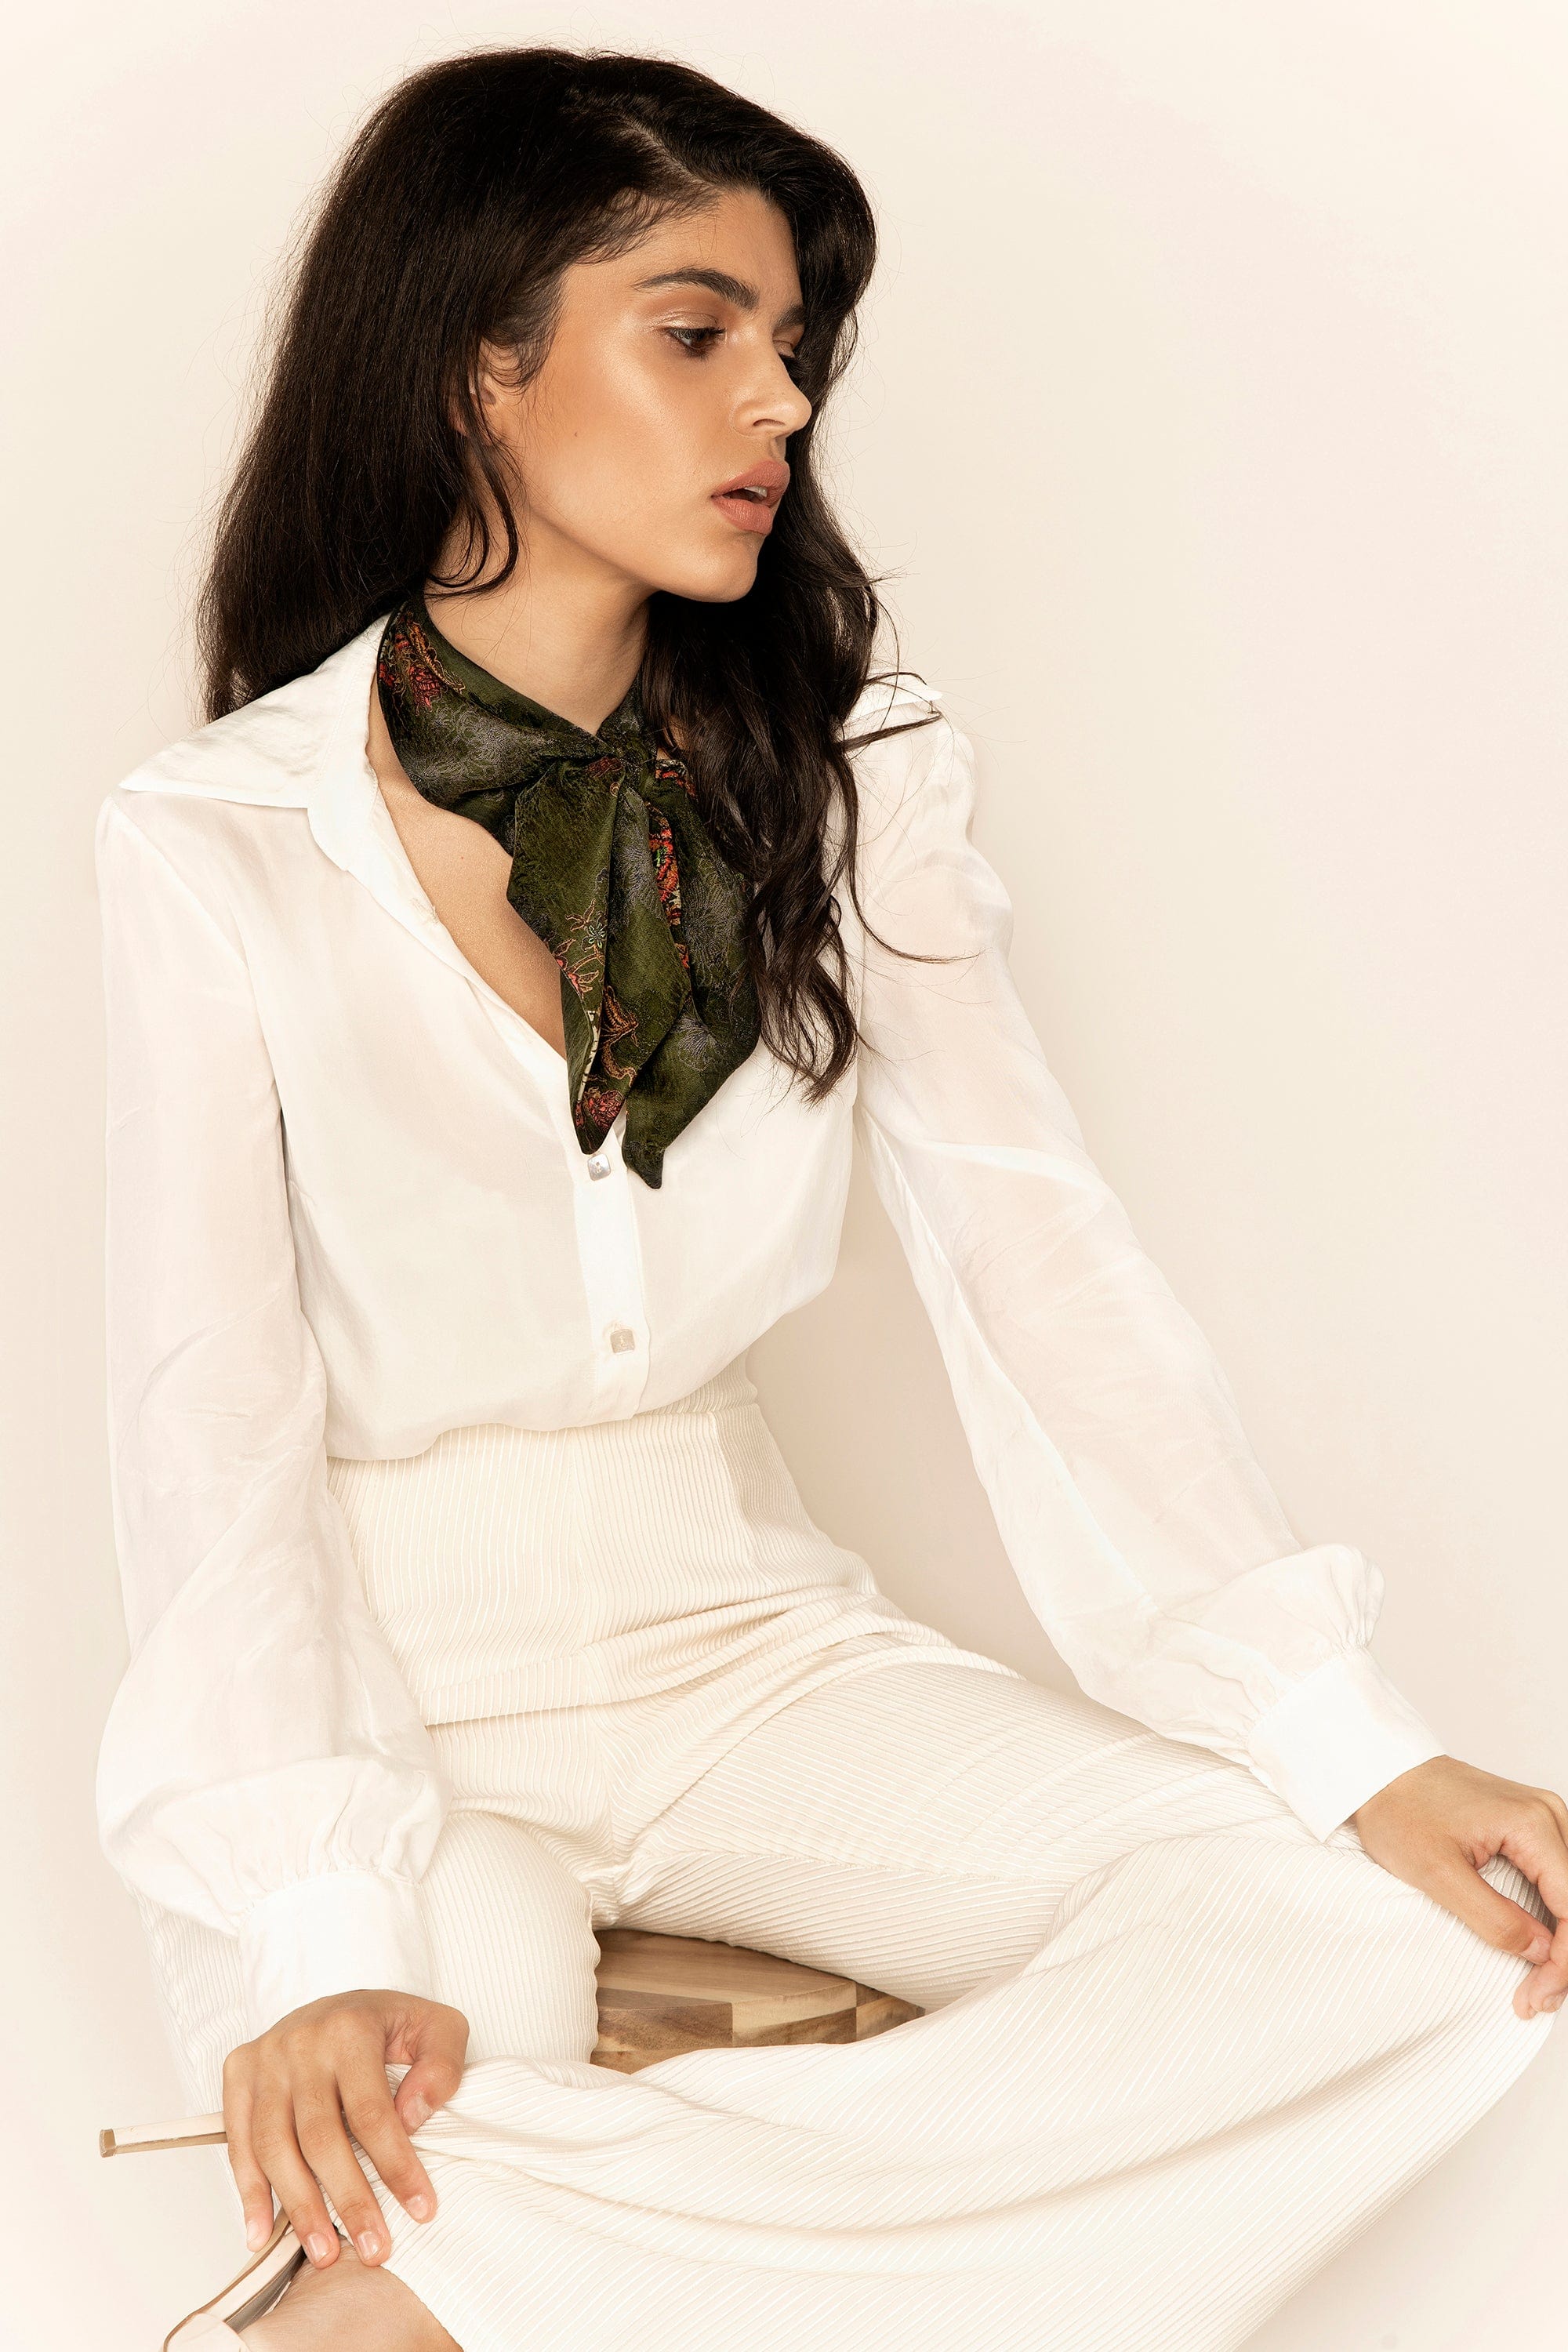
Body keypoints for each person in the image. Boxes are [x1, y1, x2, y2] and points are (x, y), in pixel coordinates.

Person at [93, 45, 1564, 2352]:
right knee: (415, 2059)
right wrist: (305, 1919)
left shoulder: (857, 771)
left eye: (792, 348)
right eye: (694, 335)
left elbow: (1038, 1259)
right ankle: (459, 2246)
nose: (771, 403)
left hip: (749, 1646)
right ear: (476, 366)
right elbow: (210, 1428)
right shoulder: (218, 842)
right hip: (387, 1691)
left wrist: (1342, 1736)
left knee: (1416, 1950)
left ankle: (414, 2281)